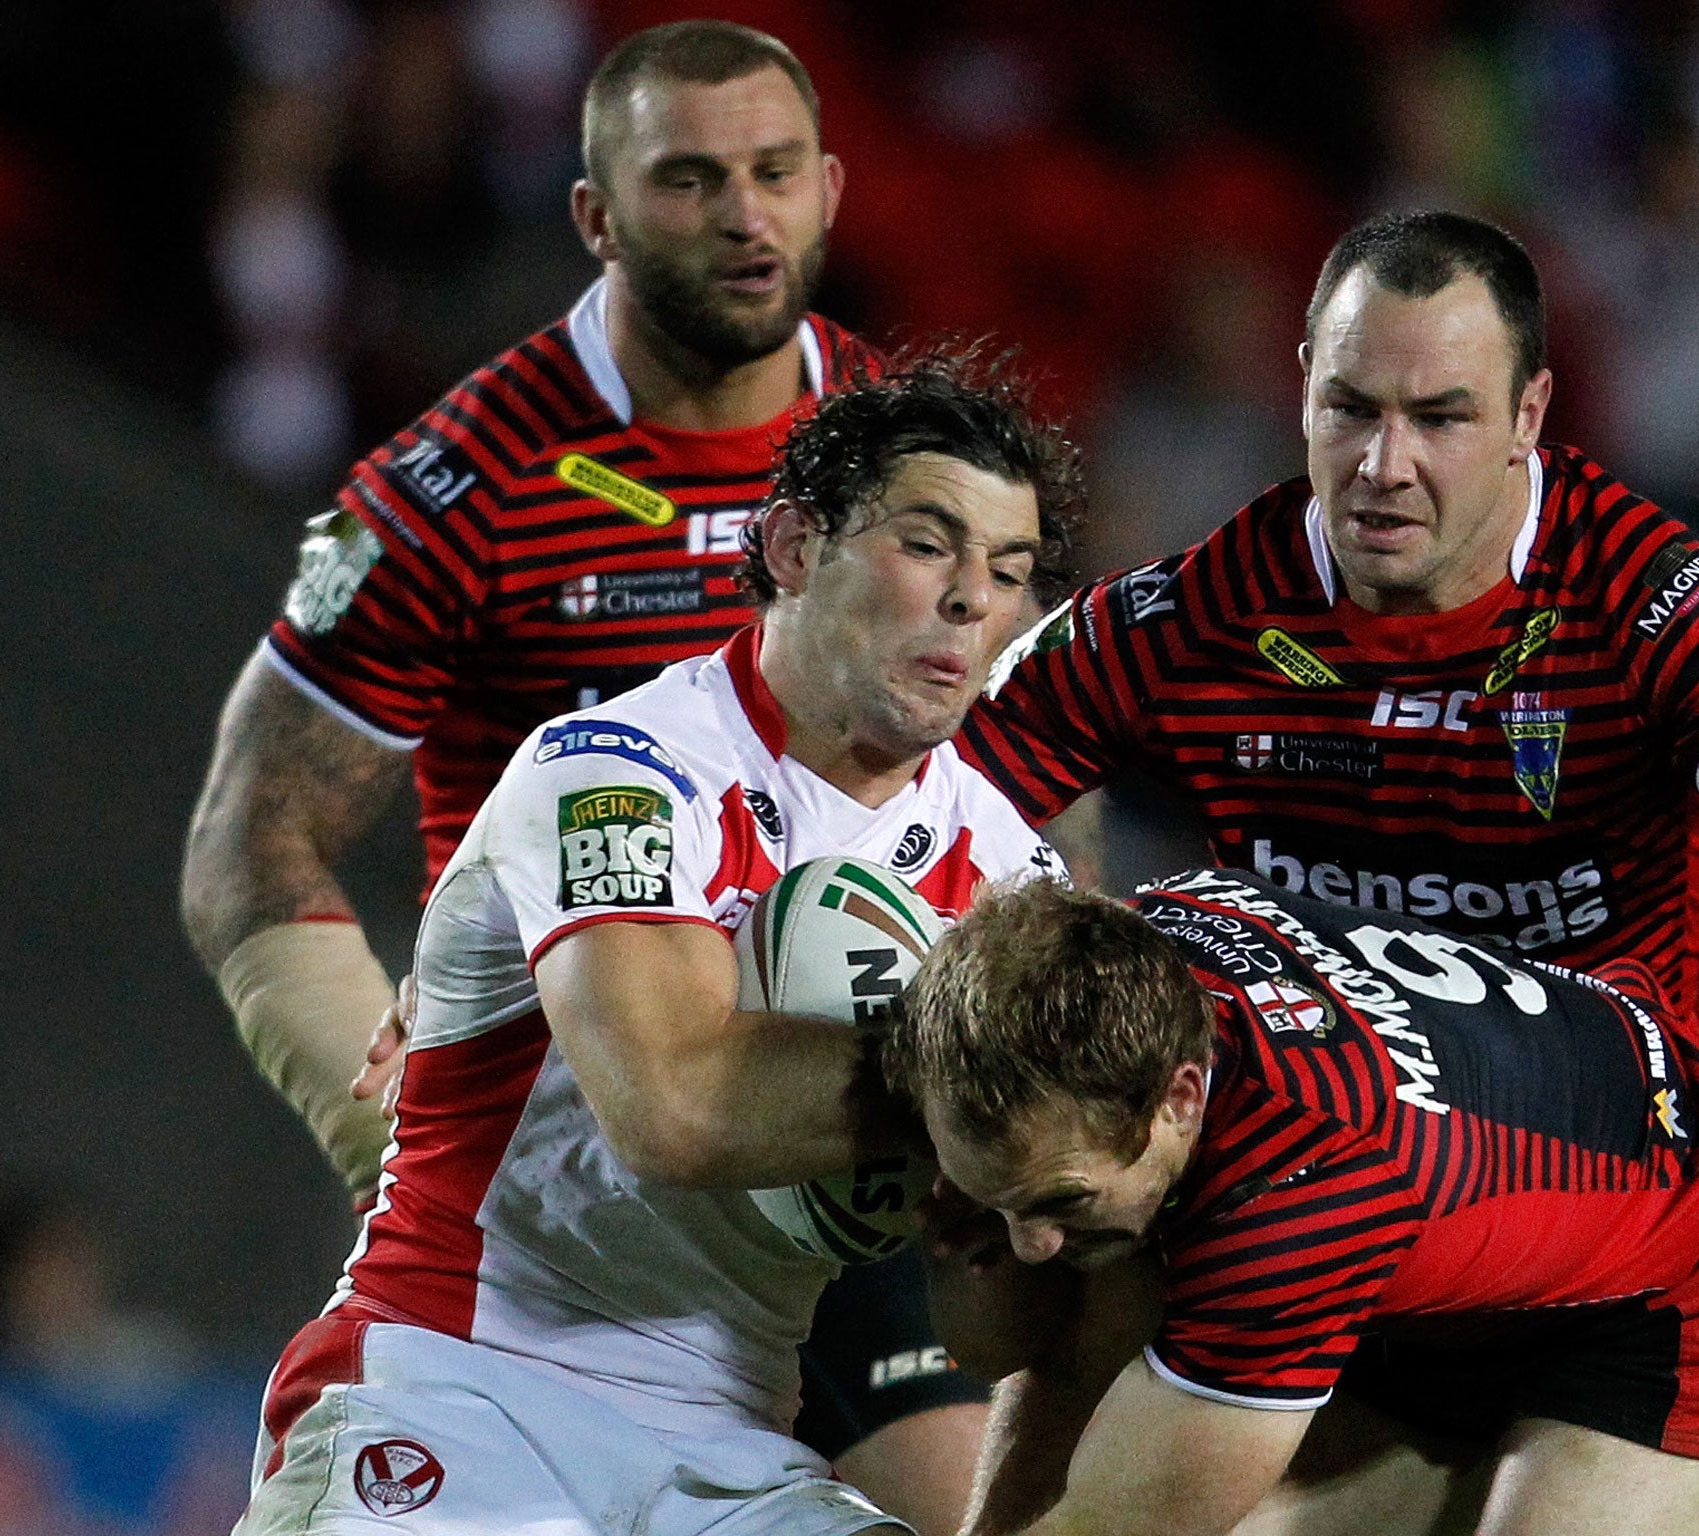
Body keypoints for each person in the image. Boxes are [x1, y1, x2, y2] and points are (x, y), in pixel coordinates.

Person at [182, 21, 988, 1523]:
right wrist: (385, 1125)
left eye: (771, 175)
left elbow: (1024, 785)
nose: (744, 217)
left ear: (830, 187)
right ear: (596, 216)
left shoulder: (917, 468)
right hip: (565, 1168)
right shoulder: (466, 480)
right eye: (690, 181)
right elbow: (252, 841)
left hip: (836, 1141)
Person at [233, 352, 1081, 1535]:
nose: (969, 601)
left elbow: (990, 1307)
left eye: (1007, 571)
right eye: (928, 543)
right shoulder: (621, 771)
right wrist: (985, 1085)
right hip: (461, 1390)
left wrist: (1027, 1201)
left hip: (736, 1439)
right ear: (792, 548)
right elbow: (673, 1106)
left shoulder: (1003, 873)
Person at [960, 209, 1699, 1017]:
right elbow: (917, 810)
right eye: (1350, 408)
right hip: (1315, 1143)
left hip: (1602, 1150)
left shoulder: (1634, 593)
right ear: (1306, 385)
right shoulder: (1201, 610)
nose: (1384, 465)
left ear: (1527, 415)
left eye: (1440, 419)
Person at [885, 871, 1699, 1536]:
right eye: (994, 1202)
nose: (1031, 1244)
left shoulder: (1299, 1194)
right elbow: (1052, 1364)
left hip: (1695, 1266)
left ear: (1179, 1096)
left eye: (1055, 1200)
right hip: (1482, 1203)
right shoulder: (1123, 955)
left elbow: (1120, 1526)